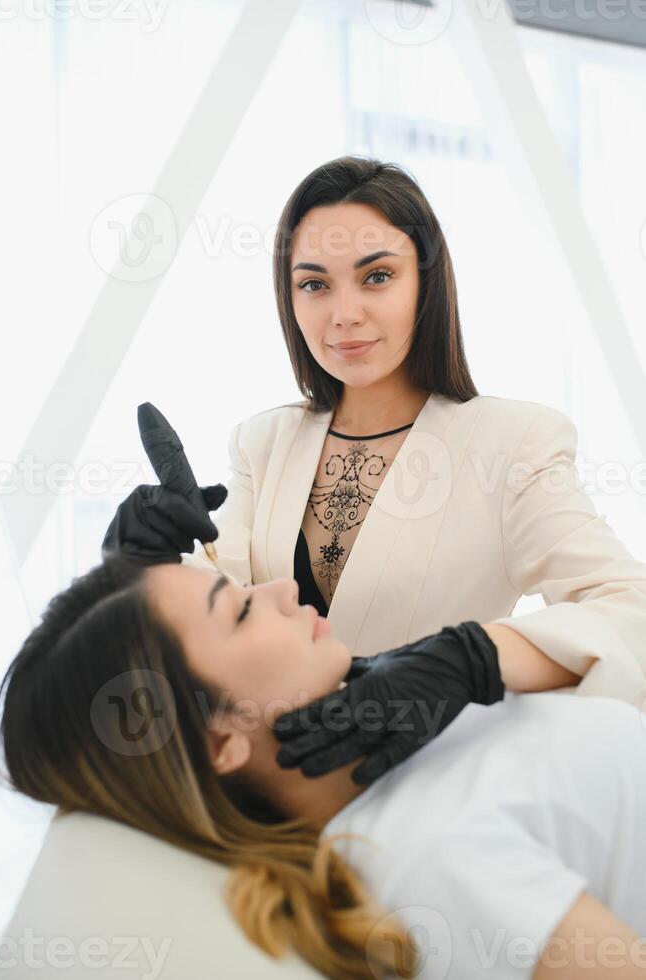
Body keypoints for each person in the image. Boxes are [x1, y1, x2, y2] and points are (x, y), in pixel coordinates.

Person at [102, 154, 646, 785]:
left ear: (428, 283)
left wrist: (471, 659)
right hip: (264, 796)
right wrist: (141, 569)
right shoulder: (264, 441)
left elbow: (631, 612)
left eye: (377, 276)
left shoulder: (512, 442)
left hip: (423, 791)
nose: (344, 314)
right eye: (314, 284)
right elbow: (219, 601)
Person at [0, 556, 645, 980]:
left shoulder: (402, 709)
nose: (282, 588)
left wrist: (481, 656)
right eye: (244, 609)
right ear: (221, 741)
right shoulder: (425, 859)